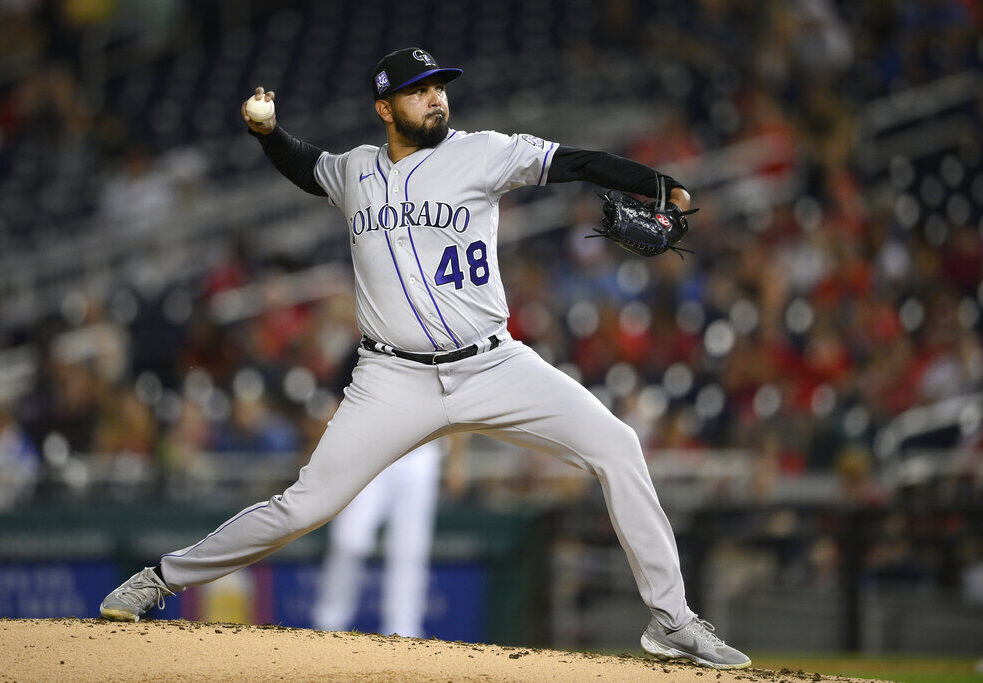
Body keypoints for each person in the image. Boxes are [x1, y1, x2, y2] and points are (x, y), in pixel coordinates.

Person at [100, 47, 750, 669]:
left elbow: (577, 162)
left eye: (439, 86)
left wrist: (663, 185)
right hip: (392, 378)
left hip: (494, 366)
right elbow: (307, 165)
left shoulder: (483, 153)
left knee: (616, 444)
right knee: (304, 505)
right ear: (386, 108)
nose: (435, 97)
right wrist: (267, 133)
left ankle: (671, 618)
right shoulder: (354, 169)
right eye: (419, 90)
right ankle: (159, 578)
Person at [312, 436, 460, 638]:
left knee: (410, 550)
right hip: (373, 448)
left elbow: (455, 410)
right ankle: (329, 624)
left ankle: (404, 630)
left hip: (420, 453)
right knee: (349, 540)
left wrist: (457, 461)